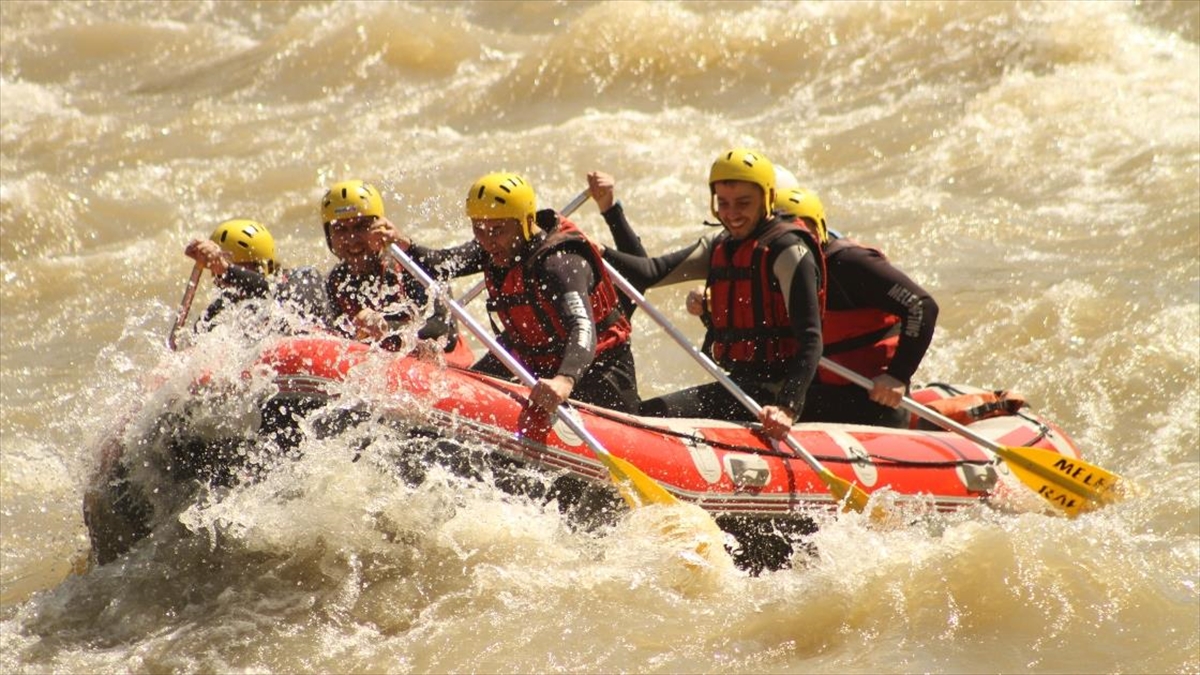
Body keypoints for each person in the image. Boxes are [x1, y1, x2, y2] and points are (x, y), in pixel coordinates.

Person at [600, 149, 825, 440]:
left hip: (777, 391)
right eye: (723, 203)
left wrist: (788, 407)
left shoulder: (788, 252)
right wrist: (600, 249)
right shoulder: (719, 245)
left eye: (743, 203)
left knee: (650, 418)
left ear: (767, 198)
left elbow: (811, 337)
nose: (731, 214)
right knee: (647, 414)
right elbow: (649, 272)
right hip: (739, 384)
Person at [387, 172, 640, 416]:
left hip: (597, 371)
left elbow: (582, 327)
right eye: (479, 228)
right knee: (462, 394)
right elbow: (443, 263)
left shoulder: (560, 263)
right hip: (530, 358)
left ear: (525, 223)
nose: (487, 241)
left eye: (497, 230)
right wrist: (403, 243)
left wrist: (564, 380)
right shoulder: (495, 246)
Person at [771, 185, 939, 427]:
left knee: (768, 397)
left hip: (874, 402)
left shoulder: (850, 265)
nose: (794, 245)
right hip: (820, 389)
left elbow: (921, 306)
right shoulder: (775, 267)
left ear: (818, 231)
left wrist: (897, 375)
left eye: (800, 233)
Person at [319, 179, 458, 353]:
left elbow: (444, 331)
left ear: (380, 227)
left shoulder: (411, 266)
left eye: (361, 226)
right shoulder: (336, 281)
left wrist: (385, 326)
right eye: (340, 229)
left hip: (432, 365)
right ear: (329, 236)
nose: (352, 239)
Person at [184, 218, 327, 334]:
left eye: (238, 269)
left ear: (262, 267)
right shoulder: (219, 311)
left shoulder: (303, 279)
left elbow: (275, 293)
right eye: (217, 273)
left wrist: (227, 270)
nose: (223, 281)